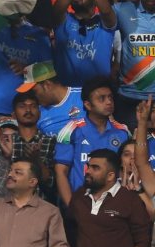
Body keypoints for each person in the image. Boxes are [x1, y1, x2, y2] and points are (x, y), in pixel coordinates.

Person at [55, 77, 131, 206]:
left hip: (113, 206)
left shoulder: (123, 132)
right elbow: (61, 172)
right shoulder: (71, 130)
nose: (109, 102)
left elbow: (127, 171)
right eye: (102, 98)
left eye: (110, 97)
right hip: (80, 203)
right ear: (88, 105)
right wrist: (71, 207)